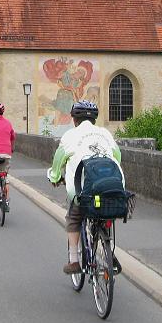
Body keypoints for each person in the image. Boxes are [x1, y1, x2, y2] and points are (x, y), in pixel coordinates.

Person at [46, 100, 124, 275]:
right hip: (112, 187)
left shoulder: (69, 136)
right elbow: (117, 156)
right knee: (104, 211)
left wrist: (55, 177)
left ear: (74, 119)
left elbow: (58, 163)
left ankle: (74, 261)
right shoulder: (105, 133)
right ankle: (108, 247)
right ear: (95, 119)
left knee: (74, 217)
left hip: (83, 191)